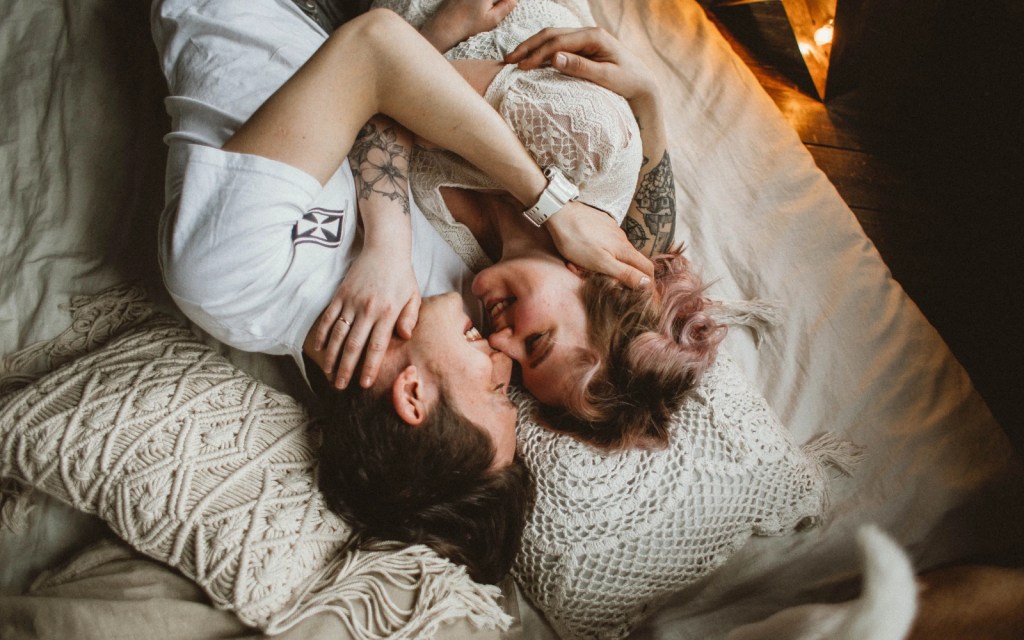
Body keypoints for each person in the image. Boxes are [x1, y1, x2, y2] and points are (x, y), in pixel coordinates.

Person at [151, 0, 651, 583]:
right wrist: (649, 99)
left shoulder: (231, 281)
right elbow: (633, 269)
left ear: (413, 396)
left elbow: (372, 51)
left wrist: (387, 243)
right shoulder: (446, 303)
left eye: (493, 391)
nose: (501, 361)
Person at [325, 0, 728, 449]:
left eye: (519, 366)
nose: (500, 341)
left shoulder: (471, 269)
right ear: (599, 279)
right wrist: (548, 204)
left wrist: (650, 100)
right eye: (536, 343)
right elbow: (386, 74)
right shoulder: (591, 144)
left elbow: (363, 103)